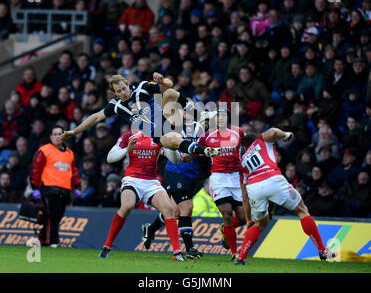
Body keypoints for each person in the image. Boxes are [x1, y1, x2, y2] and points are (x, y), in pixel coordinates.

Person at [234, 128, 337, 265]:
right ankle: (322, 250)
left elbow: (244, 196)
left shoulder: (241, 165)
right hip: (272, 178)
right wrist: (286, 135)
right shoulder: (260, 141)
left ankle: (241, 258)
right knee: (301, 210)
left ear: (245, 147)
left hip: (254, 188)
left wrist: (248, 219)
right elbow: (272, 132)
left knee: (260, 223)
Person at [59, 73, 220, 158]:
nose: (123, 93)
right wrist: (75, 131)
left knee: (169, 93)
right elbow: (95, 117)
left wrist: (162, 81)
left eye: (124, 88)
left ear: (127, 84)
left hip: (166, 116)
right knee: (173, 142)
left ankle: (200, 115)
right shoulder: (116, 106)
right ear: (114, 94)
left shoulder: (143, 87)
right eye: (118, 91)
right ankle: (203, 151)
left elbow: (170, 85)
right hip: (157, 133)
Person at [98, 129, 186, 261]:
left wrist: (171, 146)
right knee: (127, 207)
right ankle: (107, 246)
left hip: (151, 182)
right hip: (132, 179)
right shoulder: (129, 135)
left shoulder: (160, 136)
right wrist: (127, 149)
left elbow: (174, 160)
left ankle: (177, 252)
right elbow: (110, 158)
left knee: (169, 209)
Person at [142, 105, 205, 259]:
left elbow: (202, 149)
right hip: (175, 171)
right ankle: (190, 249)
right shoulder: (172, 128)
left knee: (175, 212)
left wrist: (193, 155)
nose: (186, 113)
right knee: (187, 208)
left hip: (191, 174)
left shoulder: (200, 128)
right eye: (183, 110)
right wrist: (167, 151)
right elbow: (160, 144)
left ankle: (150, 229)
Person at [197, 106, 252, 261]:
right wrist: (185, 156)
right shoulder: (208, 135)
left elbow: (248, 146)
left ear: (228, 118)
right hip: (218, 178)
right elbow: (197, 149)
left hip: (236, 177)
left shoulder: (239, 132)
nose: (220, 119)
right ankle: (235, 253)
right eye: (218, 116)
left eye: (223, 116)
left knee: (242, 218)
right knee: (227, 213)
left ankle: (224, 229)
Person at [30, 125, 81, 247]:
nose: (58, 136)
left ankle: (41, 238)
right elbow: (35, 169)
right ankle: (52, 241)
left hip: (64, 189)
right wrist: (35, 187)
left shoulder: (69, 153)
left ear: (64, 136)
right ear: (50, 137)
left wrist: (77, 186)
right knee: (52, 216)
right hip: (49, 188)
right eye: (55, 134)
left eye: (60, 134)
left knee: (57, 216)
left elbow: (73, 171)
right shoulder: (44, 150)